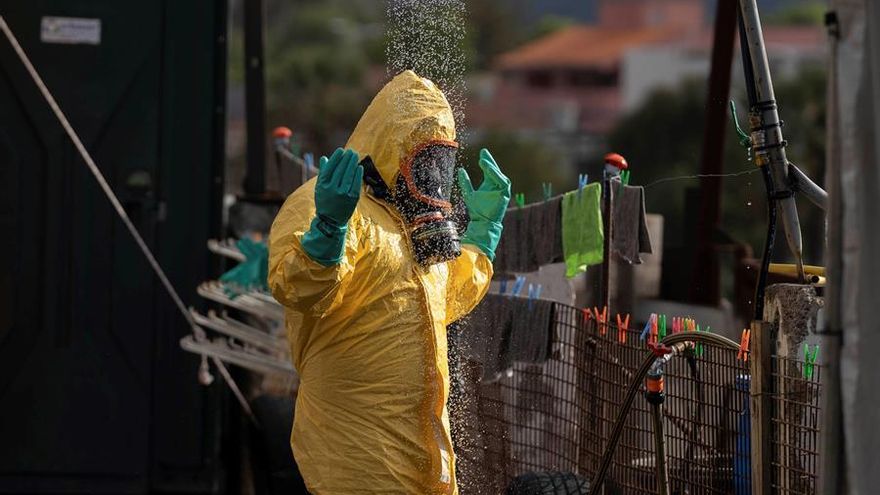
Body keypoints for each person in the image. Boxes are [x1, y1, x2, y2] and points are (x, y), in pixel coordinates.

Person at [268, 70, 511, 494]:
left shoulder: (414, 227)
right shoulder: (326, 205)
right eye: (423, 160)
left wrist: (480, 240)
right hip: (357, 461)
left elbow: (443, 299)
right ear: (391, 148)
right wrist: (328, 228)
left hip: (426, 462)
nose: (433, 177)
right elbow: (298, 289)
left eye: (440, 161)